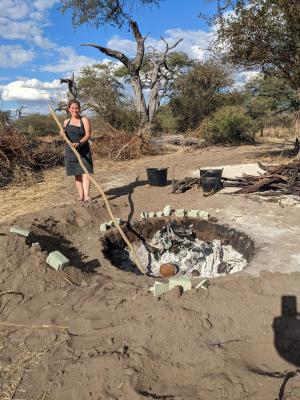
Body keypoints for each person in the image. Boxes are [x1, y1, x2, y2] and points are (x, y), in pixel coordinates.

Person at [62, 100, 94, 201]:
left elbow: (88, 135)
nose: (74, 110)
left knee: (86, 172)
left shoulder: (84, 120)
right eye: (72, 108)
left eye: (77, 108)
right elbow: (64, 135)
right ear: (69, 109)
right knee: (77, 173)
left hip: (83, 149)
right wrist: (62, 133)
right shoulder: (66, 122)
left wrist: (79, 143)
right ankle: (81, 195)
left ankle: (87, 195)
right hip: (71, 151)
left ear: (79, 109)